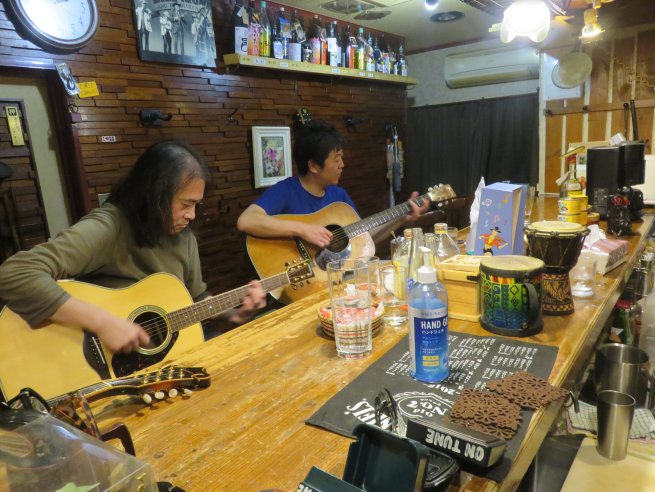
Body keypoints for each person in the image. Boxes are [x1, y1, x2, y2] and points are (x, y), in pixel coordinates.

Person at [0, 140, 266, 354]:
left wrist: (234, 316)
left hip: (162, 362)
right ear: (154, 195)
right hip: (93, 368)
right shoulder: (109, 227)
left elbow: (197, 300)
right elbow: (15, 273)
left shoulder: (184, 238)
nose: (192, 215)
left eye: (197, 205)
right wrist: (103, 323)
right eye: (185, 204)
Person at [237, 119, 427, 250]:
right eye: (336, 159)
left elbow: (363, 239)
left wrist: (401, 219)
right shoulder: (286, 190)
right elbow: (246, 221)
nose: (342, 165)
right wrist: (303, 230)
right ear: (313, 166)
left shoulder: (339, 196)